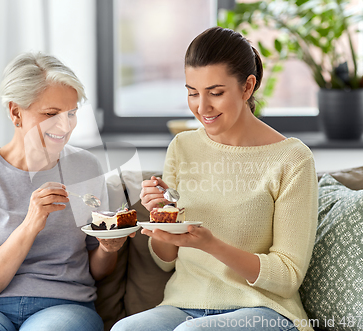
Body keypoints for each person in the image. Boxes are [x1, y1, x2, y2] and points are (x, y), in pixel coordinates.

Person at [111, 27, 318, 331]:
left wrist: (211, 244)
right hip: (183, 305)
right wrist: (163, 220)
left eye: (216, 93)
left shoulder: (292, 159)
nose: (201, 107)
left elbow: (287, 276)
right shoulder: (183, 146)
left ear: (247, 87)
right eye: (192, 93)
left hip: (263, 309)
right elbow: (165, 260)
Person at [0, 52, 132, 331]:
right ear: (16, 112)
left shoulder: (85, 167)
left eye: (72, 113)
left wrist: (107, 248)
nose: (65, 127)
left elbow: (98, 270)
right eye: (51, 114)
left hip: (64, 306)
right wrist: (31, 224)